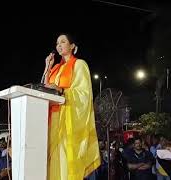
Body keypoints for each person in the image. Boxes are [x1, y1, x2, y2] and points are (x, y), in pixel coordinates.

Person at [43, 33, 100, 179]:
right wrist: (47, 67)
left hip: (68, 119)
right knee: (51, 161)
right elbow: (42, 89)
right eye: (57, 43)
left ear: (72, 46)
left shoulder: (79, 64)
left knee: (65, 159)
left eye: (63, 42)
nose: (59, 45)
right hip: (51, 119)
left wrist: (61, 90)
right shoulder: (55, 68)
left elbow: (84, 94)